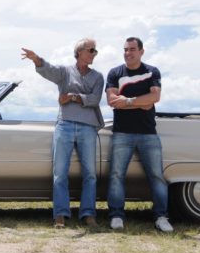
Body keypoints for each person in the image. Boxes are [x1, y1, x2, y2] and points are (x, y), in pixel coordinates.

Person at [21, 38, 104, 228]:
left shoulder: (98, 77)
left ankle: (88, 214)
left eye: (95, 51)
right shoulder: (65, 72)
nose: (94, 54)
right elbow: (49, 70)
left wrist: (72, 97)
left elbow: (95, 99)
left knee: (90, 174)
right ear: (80, 52)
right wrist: (36, 59)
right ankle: (60, 214)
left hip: (88, 127)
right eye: (91, 50)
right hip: (64, 125)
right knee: (59, 172)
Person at [105, 37, 173, 232]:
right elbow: (112, 101)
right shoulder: (115, 73)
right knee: (116, 175)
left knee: (156, 176)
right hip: (122, 133)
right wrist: (142, 103)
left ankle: (161, 217)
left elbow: (155, 97)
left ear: (141, 51)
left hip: (148, 133)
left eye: (132, 49)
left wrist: (127, 101)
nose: (128, 53)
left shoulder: (152, 71)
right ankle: (116, 215)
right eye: (125, 49)